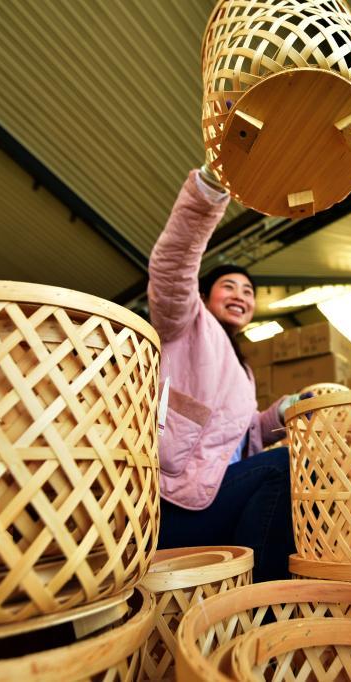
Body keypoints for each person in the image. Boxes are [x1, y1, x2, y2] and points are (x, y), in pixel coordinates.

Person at [147, 165, 300, 581]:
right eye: (229, 286)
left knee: (289, 467)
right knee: (280, 468)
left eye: (248, 292)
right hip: (173, 503)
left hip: (212, 492)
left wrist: (280, 413)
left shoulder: (242, 367)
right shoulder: (183, 322)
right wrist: (207, 192)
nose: (240, 295)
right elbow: (173, 263)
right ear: (203, 295)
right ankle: (261, 598)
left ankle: (253, 585)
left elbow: (243, 434)